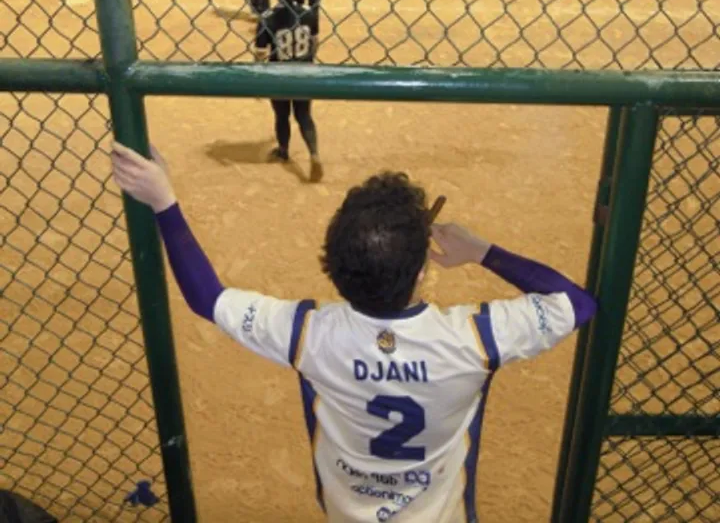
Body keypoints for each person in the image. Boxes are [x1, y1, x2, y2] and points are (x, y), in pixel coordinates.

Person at [109, 154, 598, 523]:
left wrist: (163, 202)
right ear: (422, 272)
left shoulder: (309, 333)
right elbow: (578, 303)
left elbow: (207, 297)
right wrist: (483, 252)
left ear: (335, 264)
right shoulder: (476, 338)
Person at [254, 0, 322, 181]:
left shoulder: (267, 18)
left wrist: (259, 76)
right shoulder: (309, 13)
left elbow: (260, 53)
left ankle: (283, 151)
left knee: (282, 115)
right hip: (303, 71)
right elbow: (314, 42)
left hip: (279, 74)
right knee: (304, 115)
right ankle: (314, 154)